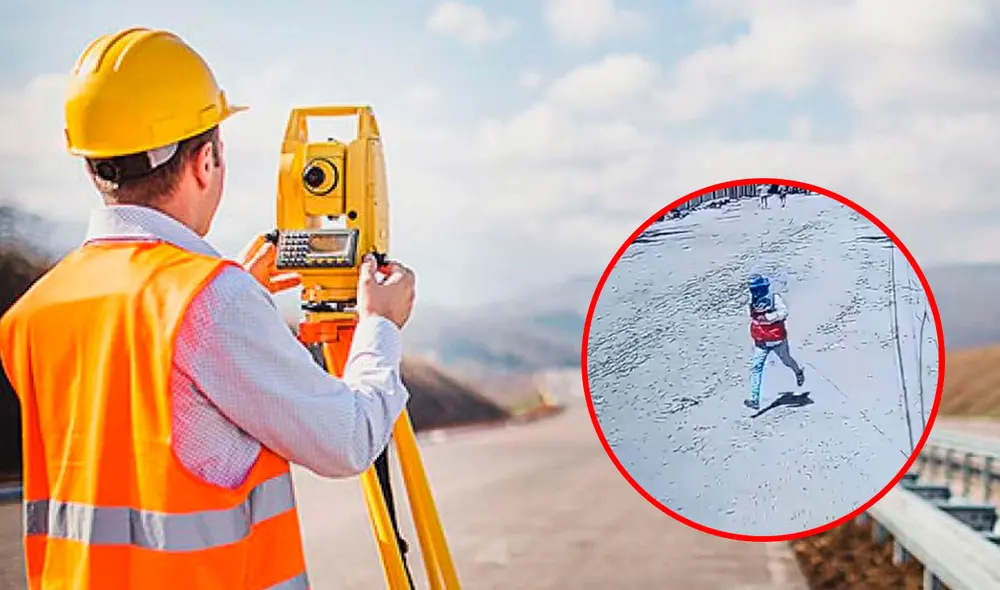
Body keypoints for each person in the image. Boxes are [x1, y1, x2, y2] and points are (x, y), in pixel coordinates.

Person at [0, 28, 416, 589]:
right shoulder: (211, 303)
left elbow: (138, 409)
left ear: (92, 165)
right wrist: (380, 326)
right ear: (204, 162)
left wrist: (232, 293)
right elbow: (348, 440)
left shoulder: (34, 313)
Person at [745, 273, 805, 410]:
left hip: (777, 340)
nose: (754, 292)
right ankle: (754, 399)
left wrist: (769, 318)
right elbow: (750, 313)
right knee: (756, 367)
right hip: (761, 341)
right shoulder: (752, 300)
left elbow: (784, 312)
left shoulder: (774, 298)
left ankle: (798, 372)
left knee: (786, 360)